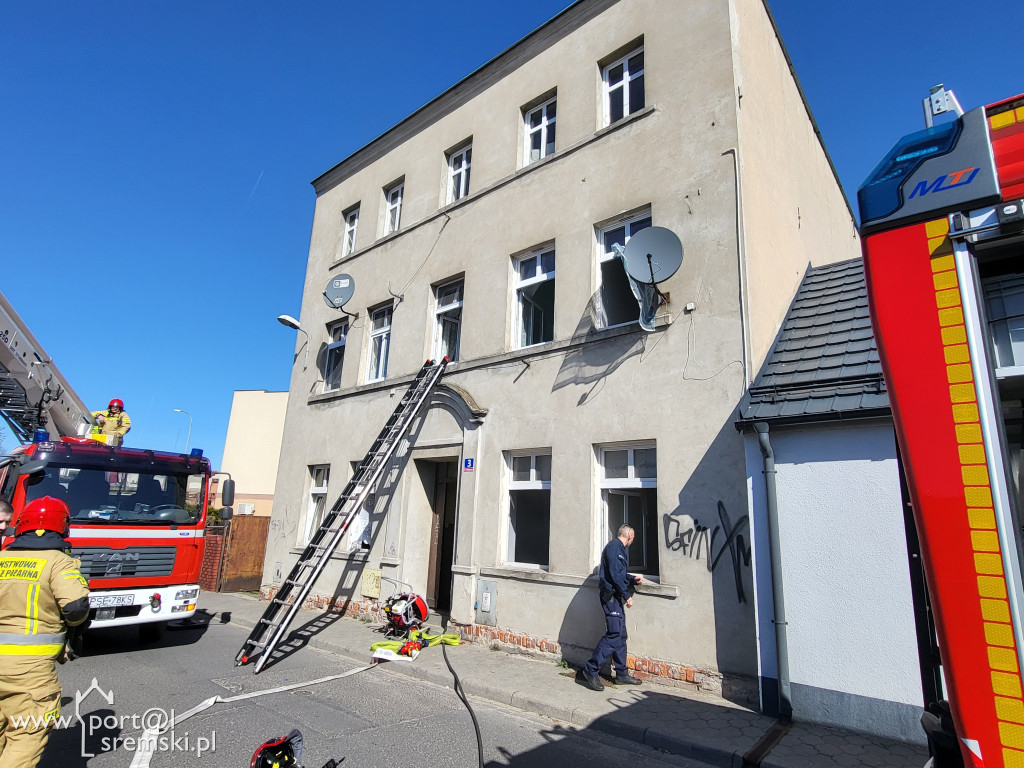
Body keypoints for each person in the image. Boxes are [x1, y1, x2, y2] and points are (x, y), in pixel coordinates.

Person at [0, 496, 90, 766]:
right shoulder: (58, 562)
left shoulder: (2, 557)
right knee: (26, 735)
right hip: (28, 671)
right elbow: (76, 608)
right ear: (63, 527)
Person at [577, 524, 643, 691]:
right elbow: (614, 575)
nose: (633, 540)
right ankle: (591, 670)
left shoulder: (619, 548)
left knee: (620, 635)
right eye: (633, 537)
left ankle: (621, 674)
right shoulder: (614, 548)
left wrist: (632, 579)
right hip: (611, 597)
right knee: (614, 634)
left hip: (616, 597)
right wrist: (627, 596)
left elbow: (619, 573)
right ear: (629, 536)